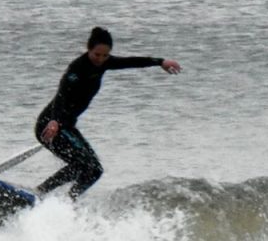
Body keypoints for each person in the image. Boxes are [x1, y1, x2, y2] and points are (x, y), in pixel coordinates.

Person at [34, 27, 181, 199]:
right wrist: (54, 121)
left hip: (66, 127)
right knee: (84, 165)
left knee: (94, 170)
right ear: (88, 49)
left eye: (105, 55)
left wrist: (161, 62)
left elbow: (131, 62)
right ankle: (40, 192)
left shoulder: (104, 63)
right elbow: (61, 95)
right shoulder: (77, 68)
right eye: (97, 54)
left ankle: (68, 202)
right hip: (50, 125)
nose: (100, 59)